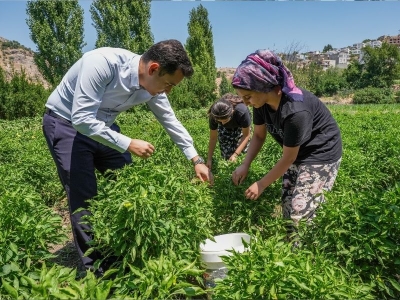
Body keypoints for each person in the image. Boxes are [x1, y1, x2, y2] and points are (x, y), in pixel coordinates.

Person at [42, 39, 213, 273]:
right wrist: (128, 143)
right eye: (168, 84)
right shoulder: (103, 63)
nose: (168, 90)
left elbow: (170, 120)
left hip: (103, 126)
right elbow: (82, 119)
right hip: (66, 123)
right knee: (83, 198)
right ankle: (95, 270)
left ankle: (124, 250)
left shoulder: (153, 85)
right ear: (153, 69)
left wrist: (196, 160)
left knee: (127, 185)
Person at [230, 49, 342, 231]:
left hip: (321, 152)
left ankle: (307, 254)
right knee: (288, 205)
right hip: (296, 152)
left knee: (302, 212)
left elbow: (288, 157)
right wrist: (245, 164)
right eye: (243, 97)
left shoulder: (295, 111)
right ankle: (290, 247)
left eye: (248, 97)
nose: (246, 102)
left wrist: (261, 184)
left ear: (265, 87)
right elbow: (258, 135)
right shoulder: (261, 102)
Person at [206, 93, 252, 169]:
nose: (222, 123)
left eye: (225, 120)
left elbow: (246, 135)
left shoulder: (242, 111)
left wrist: (236, 154)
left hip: (240, 124)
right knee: (226, 155)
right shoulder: (214, 116)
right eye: (219, 121)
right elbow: (213, 138)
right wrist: (209, 159)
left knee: (243, 153)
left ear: (232, 112)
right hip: (227, 127)